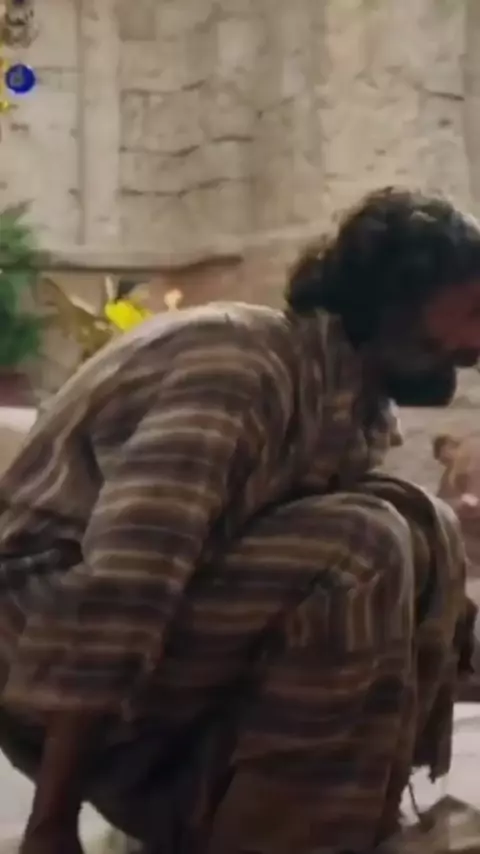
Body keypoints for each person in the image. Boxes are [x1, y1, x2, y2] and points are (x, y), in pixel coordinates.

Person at [0, 186, 479, 854]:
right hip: (36, 634)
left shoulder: (350, 404)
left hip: (147, 648)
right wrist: (52, 821)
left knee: (420, 522)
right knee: (363, 545)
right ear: (396, 298)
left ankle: (325, 818)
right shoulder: (238, 363)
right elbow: (131, 578)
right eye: (472, 311)